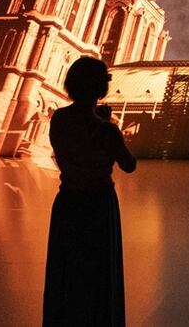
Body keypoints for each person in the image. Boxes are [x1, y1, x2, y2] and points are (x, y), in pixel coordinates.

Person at [43, 56, 136, 326]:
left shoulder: (58, 118)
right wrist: (111, 126)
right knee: (98, 272)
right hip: (98, 205)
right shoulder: (106, 130)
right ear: (101, 89)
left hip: (68, 201)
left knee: (67, 270)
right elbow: (129, 165)